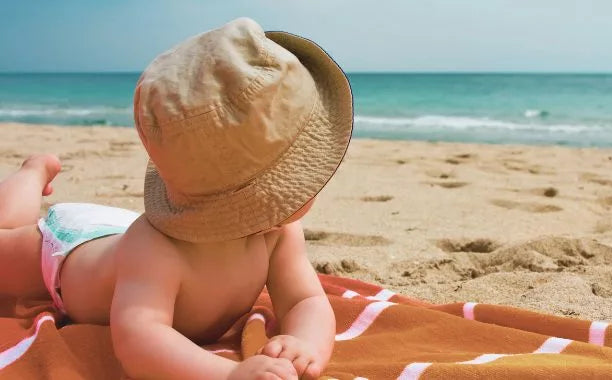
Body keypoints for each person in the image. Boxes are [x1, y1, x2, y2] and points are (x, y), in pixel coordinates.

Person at [0, 17, 353, 380]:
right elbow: (139, 340)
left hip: (115, 234)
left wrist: (306, 343)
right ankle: (32, 173)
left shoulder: (277, 233)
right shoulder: (156, 250)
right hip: (68, 252)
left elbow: (304, 300)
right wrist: (229, 374)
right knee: (7, 236)